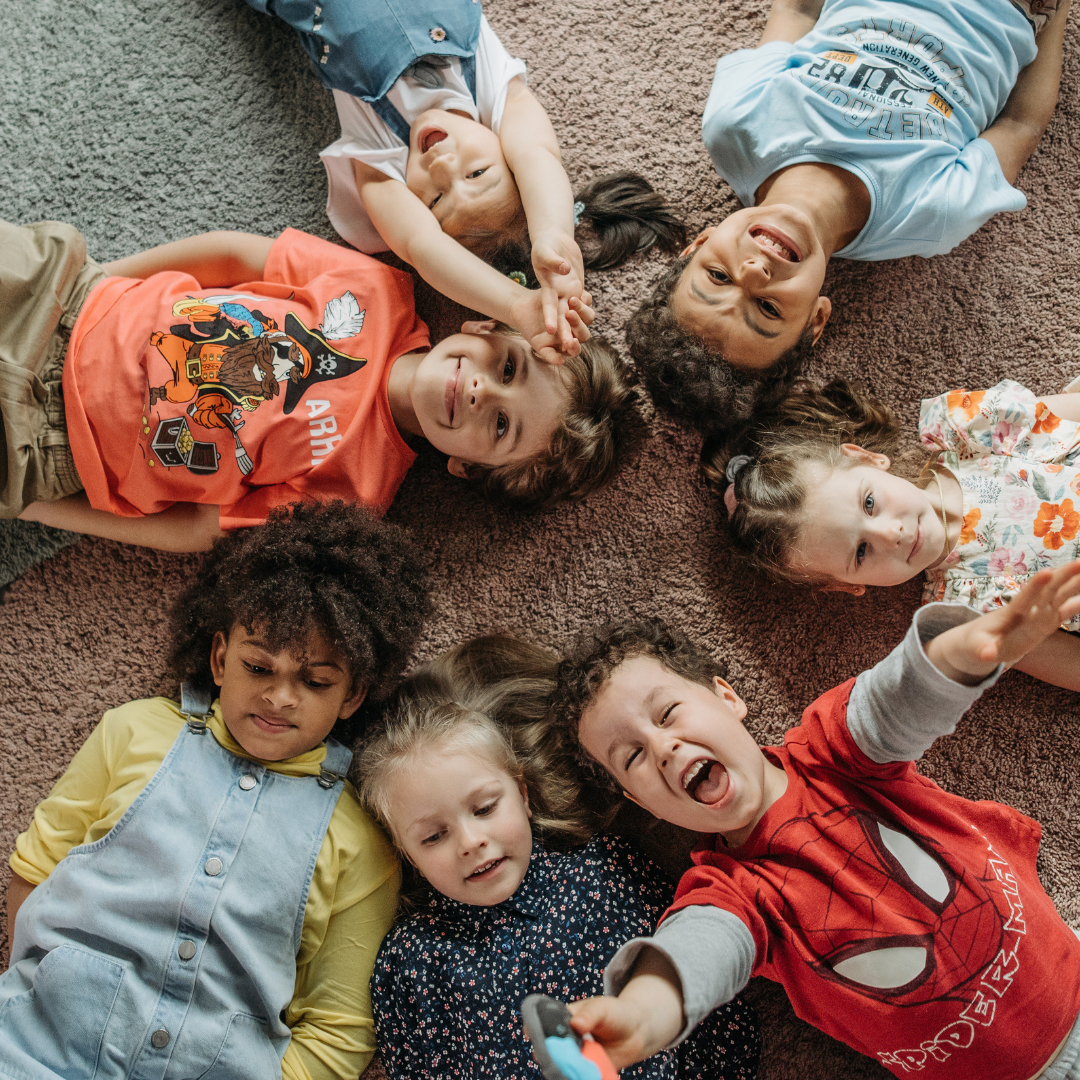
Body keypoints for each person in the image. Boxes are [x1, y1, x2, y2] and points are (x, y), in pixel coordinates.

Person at [548, 562, 1080, 1080]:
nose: (663, 747)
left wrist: (959, 654)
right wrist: (642, 1016)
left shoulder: (834, 748)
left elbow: (896, 700)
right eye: (633, 757)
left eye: (667, 713)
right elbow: (697, 951)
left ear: (728, 697)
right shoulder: (728, 894)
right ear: (640, 802)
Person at [2, 499, 430, 1080]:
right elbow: (35, 868)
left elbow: (339, 1031)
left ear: (352, 697)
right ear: (221, 658)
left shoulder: (360, 841)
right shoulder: (134, 731)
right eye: (259, 668)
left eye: (315, 681)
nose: (281, 698)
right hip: (32, 1045)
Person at [3, 218, 636, 552]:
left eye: (500, 427)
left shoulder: (356, 499)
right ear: (483, 323)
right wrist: (97, 281)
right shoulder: (381, 291)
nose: (481, 394)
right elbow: (234, 257)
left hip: (49, 446)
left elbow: (200, 528)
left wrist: (41, 508)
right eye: (508, 369)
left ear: (469, 469)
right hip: (67, 302)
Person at [625, 0, 1072, 419]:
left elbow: (797, 11)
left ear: (698, 244)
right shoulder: (931, 216)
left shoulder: (735, 125)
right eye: (767, 309)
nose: (755, 273)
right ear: (815, 320)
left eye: (718, 277)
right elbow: (1021, 123)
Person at [353, 636, 761, 1080]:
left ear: (523, 794)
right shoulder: (409, 960)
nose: (470, 842)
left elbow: (703, 1001)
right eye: (433, 837)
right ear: (406, 854)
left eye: (486, 808)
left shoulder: (606, 870)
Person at [245, 0, 685, 356]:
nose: (442, 167)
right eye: (477, 173)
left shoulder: (380, 149)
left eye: (435, 200)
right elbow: (537, 153)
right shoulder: (493, 94)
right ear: (504, 150)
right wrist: (555, 237)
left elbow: (422, 247)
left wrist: (516, 305)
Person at [705, 377, 1080, 690]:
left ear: (867, 458)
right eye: (861, 552)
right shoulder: (962, 617)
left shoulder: (969, 433)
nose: (891, 534)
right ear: (844, 585)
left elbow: (1067, 416)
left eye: (869, 503)